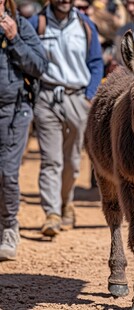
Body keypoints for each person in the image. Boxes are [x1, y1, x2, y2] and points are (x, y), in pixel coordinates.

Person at [28, 0, 103, 237]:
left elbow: (96, 63)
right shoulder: (36, 24)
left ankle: (66, 203)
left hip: (77, 98)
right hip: (47, 97)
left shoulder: (85, 25)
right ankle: (52, 214)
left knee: (72, 162)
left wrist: (89, 96)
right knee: (51, 160)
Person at [0, 0, 47, 260]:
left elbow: (39, 66)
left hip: (14, 111)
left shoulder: (19, 26)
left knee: (7, 173)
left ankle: (9, 228)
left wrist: (14, 39)